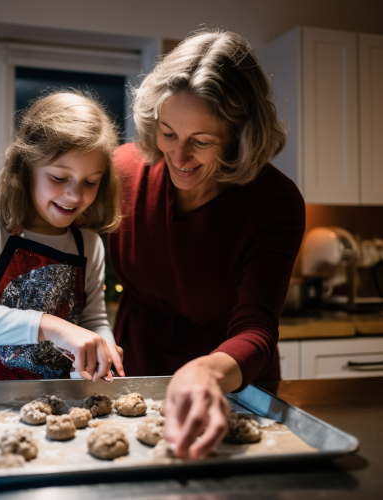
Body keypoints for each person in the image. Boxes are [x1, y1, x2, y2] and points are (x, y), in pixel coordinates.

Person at [108, 30, 305, 458]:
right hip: (136, 367)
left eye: (201, 141)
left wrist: (207, 374)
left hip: (232, 380)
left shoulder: (274, 202)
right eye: (167, 133)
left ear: (240, 135)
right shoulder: (122, 171)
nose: (178, 158)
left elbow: (257, 328)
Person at [0, 91, 125, 397]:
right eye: (59, 177)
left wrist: (102, 346)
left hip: (51, 398)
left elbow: (92, 318)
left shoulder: (88, 245)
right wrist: (53, 326)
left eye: (90, 182)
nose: (75, 196)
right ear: (26, 169)